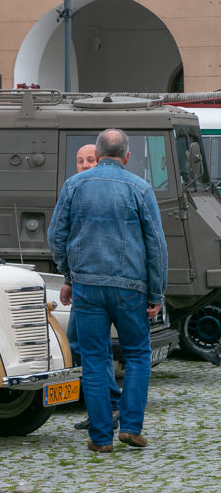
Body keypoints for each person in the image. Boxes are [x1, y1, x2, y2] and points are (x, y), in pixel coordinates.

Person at [48, 129, 167, 453]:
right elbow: (156, 245)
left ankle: (101, 437)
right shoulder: (140, 188)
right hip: (130, 287)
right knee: (138, 354)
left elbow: (56, 236)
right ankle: (130, 426)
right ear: (127, 157)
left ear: (97, 155)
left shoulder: (74, 185)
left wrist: (69, 275)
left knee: (95, 359)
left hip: (88, 286)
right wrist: (156, 294)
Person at [66, 143, 121, 431]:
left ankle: (108, 405)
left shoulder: (90, 190)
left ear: (100, 161)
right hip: (83, 279)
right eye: (79, 160)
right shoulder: (74, 189)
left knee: (85, 343)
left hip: (93, 282)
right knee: (86, 344)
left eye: (90, 159)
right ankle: (102, 406)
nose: (85, 164)